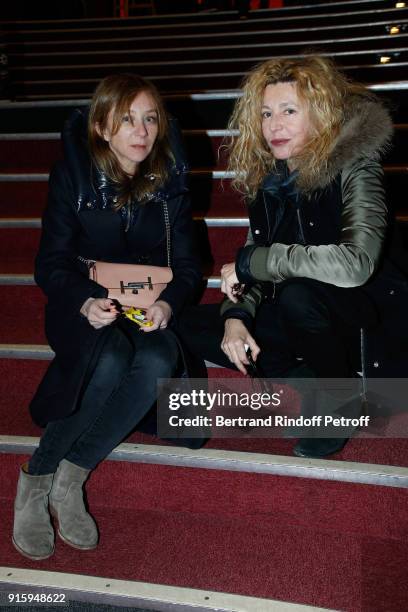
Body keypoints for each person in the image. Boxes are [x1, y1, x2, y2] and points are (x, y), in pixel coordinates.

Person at [13, 73, 201, 561]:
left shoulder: (171, 179)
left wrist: (167, 304)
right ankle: (36, 478)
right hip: (83, 307)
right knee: (112, 356)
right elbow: (49, 264)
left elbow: (186, 268)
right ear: (101, 127)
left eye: (150, 118)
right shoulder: (72, 176)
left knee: (159, 360)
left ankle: (71, 476)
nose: (141, 132)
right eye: (127, 120)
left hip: (143, 308)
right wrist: (84, 300)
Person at [180, 56, 408, 458]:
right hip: (303, 311)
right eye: (266, 113)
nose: (274, 124)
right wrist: (236, 318)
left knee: (297, 295)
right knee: (187, 323)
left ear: (319, 116)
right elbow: (258, 262)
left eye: (289, 111)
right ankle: (311, 383)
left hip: (366, 309)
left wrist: (259, 262)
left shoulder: (356, 165)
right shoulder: (270, 180)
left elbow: (356, 264)